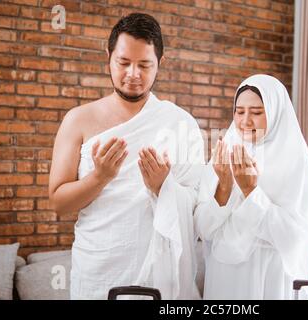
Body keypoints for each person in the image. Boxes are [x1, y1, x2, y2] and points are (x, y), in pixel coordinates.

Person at [49, 13, 204, 300]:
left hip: (158, 275)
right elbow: (58, 203)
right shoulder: (78, 120)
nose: (133, 74)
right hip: (98, 269)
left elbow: (200, 209)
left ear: (160, 63)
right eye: (123, 63)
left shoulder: (181, 124)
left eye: (145, 65)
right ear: (108, 56)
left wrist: (163, 187)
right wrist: (100, 177)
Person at [194, 74, 308, 300]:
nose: (245, 121)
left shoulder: (295, 159)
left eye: (256, 112)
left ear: (274, 112)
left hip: (271, 278)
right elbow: (203, 229)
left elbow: (296, 238)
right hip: (225, 277)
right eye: (239, 111)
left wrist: (251, 191)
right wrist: (223, 188)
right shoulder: (224, 152)